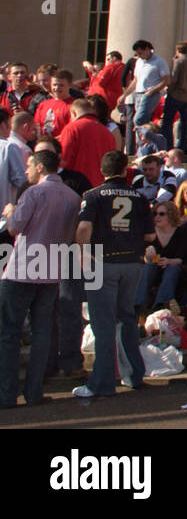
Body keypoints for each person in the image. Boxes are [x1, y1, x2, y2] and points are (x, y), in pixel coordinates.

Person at [0, 149, 80, 408]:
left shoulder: (33, 193)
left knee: (10, 333)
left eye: (29, 166)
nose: (26, 171)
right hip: (50, 271)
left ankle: (7, 393)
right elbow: (70, 236)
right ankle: (33, 392)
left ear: (40, 167)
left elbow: (14, 227)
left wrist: (10, 210)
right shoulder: (72, 197)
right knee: (42, 332)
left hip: (22, 270)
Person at [73, 150, 155, 398]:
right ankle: (133, 375)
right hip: (132, 263)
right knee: (126, 318)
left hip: (103, 262)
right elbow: (150, 236)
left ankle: (102, 383)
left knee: (103, 323)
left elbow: (85, 227)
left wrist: (81, 253)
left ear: (102, 171)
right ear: (125, 171)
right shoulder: (140, 197)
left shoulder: (93, 196)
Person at [133, 199, 187, 313]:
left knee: (172, 268)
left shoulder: (182, 232)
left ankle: (162, 304)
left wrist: (168, 261)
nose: (157, 217)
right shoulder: (150, 233)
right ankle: (138, 305)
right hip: (154, 267)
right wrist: (148, 256)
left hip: (176, 268)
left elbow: (181, 258)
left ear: (171, 215)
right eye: (155, 214)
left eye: (161, 214)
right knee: (148, 267)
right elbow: (145, 259)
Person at [121, 41, 169, 156]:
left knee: (138, 120)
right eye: (138, 54)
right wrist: (125, 94)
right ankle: (145, 147)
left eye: (141, 53)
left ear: (148, 49)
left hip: (151, 94)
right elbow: (135, 80)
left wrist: (152, 90)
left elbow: (166, 80)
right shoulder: (139, 62)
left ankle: (142, 145)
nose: (140, 56)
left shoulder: (159, 62)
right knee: (144, 122)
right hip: (138, 93)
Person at [57, 98, 117, 187]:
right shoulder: (107, 133)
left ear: (74, 113)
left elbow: (63, 160)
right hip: (100, 187)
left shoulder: (71, 129)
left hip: (76, 186)